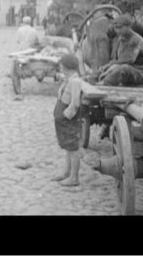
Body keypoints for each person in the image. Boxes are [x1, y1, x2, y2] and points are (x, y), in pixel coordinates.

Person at [52, 54, 84, 187]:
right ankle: (67, 172)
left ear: (65, 67)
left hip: (68, 120)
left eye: (61, 66)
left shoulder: (75, 82)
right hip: (63, 119)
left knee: (73, 148)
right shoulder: (69, 79)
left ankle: (74, 177)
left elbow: (75, 103)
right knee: (68, 146)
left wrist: (66, 115)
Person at [96, 14, 143, 86]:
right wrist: (107, 66)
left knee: (123, 69)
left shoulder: (135, 40)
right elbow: (119, 60)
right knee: (103, 68)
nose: (117, 31)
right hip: (130, 68)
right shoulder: (122, 39)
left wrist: (112, 66)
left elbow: (127, 61)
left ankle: (105, 82)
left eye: (120, 28)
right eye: (116, 28)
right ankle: (94, 78)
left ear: (128, 27)